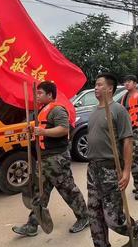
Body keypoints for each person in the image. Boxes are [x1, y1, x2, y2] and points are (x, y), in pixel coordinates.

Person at [84, 73, 138, 247]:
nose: (96, 87)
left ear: (110, 88)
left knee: (113, 218)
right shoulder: (94, 111)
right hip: (93, 169)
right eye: (95, 84)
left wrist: (127, 171)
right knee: (94, 213)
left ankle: (135, 230)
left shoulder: (118, 110)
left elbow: (127, 141)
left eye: (99, 84)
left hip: (110, 169)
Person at [12, 81, 89, 237]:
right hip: (44, 159)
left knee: (67, 189)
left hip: (57, 159)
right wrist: (33, 130)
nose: (37, 96)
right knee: (39, 192)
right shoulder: (41, 110)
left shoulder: (58, 110)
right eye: (37, 93)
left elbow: (64, 129)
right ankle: (32, 224)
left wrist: (42, 132)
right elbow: (43, 129)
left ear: (49, 95)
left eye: (40, 93)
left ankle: (84, 217)